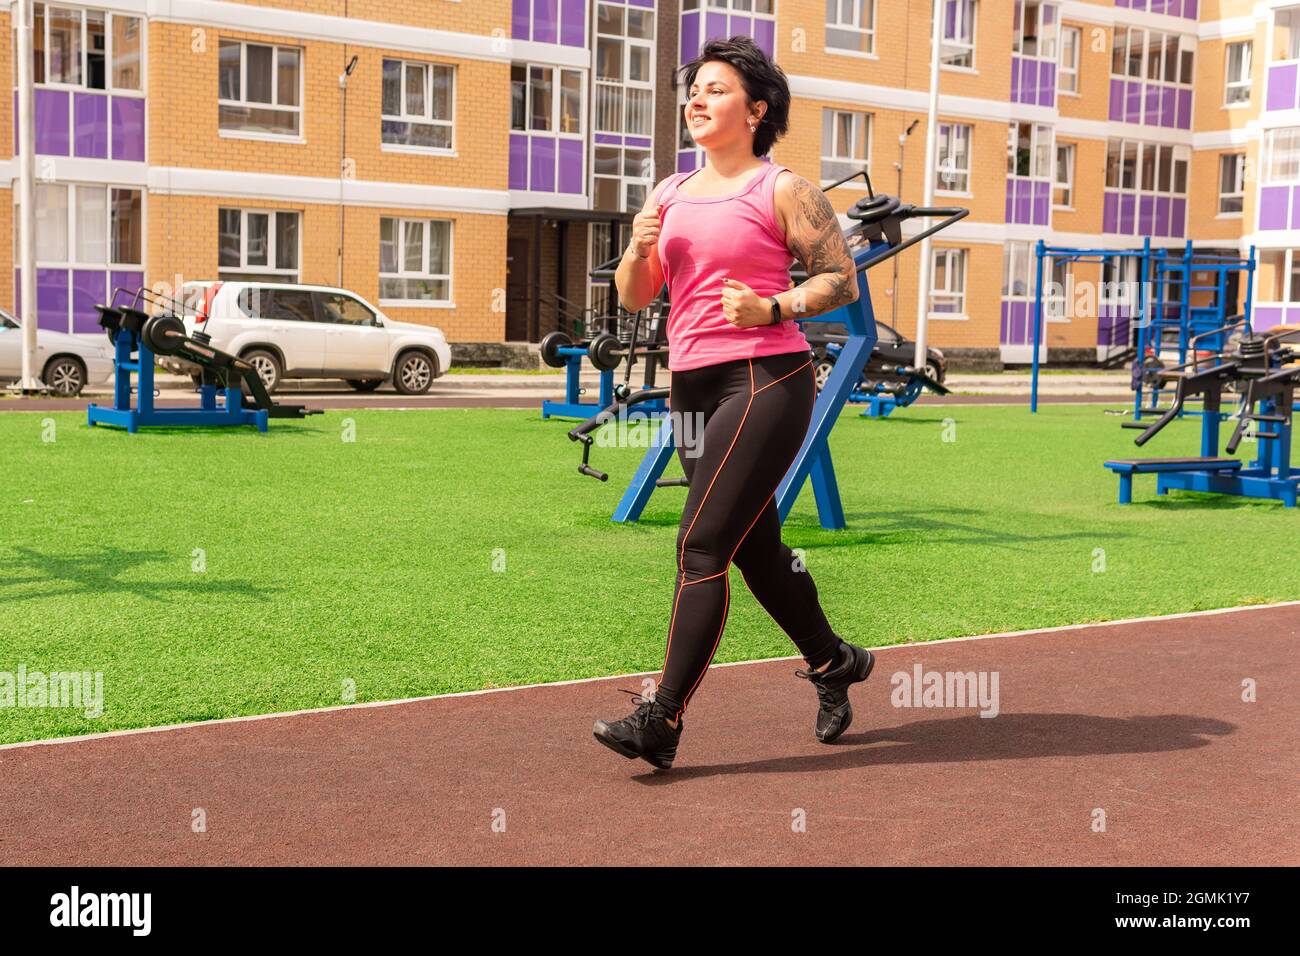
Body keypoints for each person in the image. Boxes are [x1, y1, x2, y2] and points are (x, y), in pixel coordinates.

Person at [592, 36, 875, 771]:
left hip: (767, 378)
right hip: (692, 385)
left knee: (700, 544)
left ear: (755, 110)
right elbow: (636, 296)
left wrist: (774, 305)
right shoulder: (669, 191)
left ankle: (663, 718)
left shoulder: (783, 189)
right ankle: (834, 660)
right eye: (693, 90)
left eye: (715, 89)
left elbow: (838, 279)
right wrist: (633, 249)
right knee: (753, 551)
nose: (696, 99)